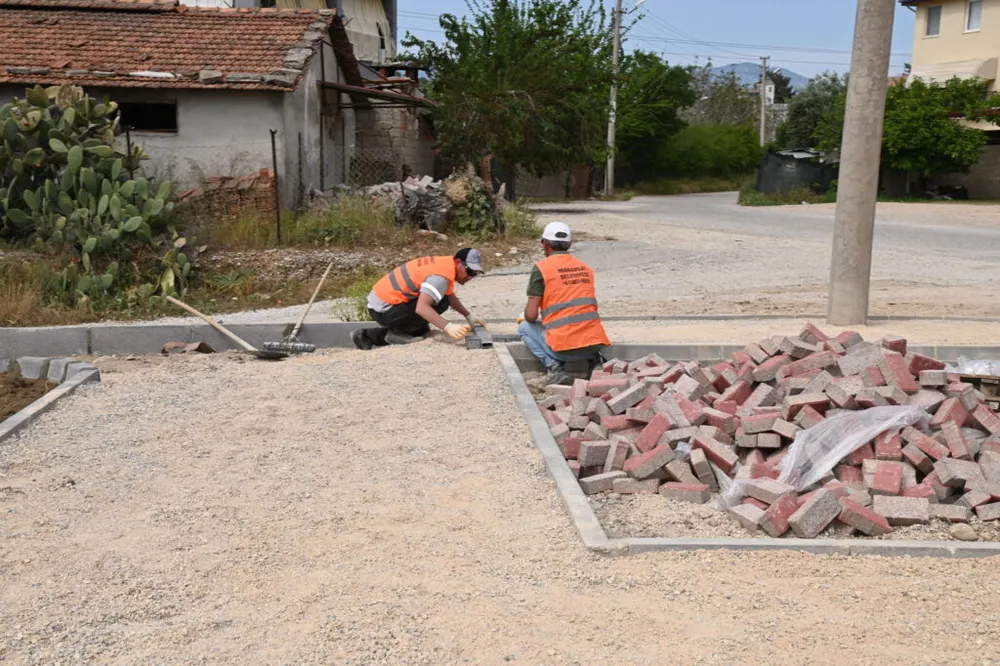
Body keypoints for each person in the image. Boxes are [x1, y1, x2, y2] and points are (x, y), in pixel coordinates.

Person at [517, 221, 610, 385]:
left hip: (563, 351)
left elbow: (531, 316)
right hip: (594, 345)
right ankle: (595, 363)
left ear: (544, 244)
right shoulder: (585, 268)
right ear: (569, 244)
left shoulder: (542, 268)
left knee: (524, 327)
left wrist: (527, 316)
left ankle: (554, 368)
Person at [352, 248, 486, 349]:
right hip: (385, 310)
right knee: (440, 304)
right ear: (458, 262)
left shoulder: (445, 266)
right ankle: (398, 333)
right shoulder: (440, 277)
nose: (470, 277)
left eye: (474, 274)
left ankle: (366, 336)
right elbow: (422, 308)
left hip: (382, 305)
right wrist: (448, 327)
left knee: (421, 330)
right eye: (469, 271)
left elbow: (449, 295)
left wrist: (468, 316)